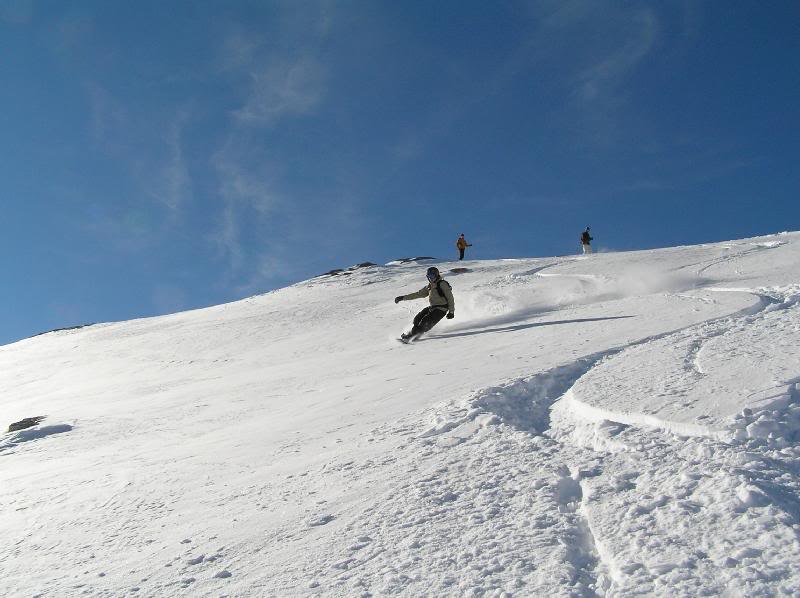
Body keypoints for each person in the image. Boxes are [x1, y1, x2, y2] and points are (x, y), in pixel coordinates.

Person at [394, 266, 455, 342]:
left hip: (441, 309)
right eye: (429, 276)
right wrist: (403, 298)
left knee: (425, 322)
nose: (431, 278)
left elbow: (450, 297)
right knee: (417, 319)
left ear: (437, 275)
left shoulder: (442, 284)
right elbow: (418, 294)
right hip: (432, 307)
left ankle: (413, 336)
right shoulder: (429, 286)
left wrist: (451, 312)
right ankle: (412, 334)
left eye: (432, 276)